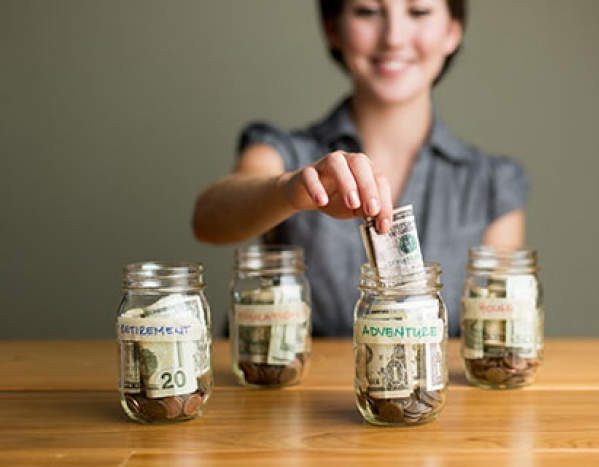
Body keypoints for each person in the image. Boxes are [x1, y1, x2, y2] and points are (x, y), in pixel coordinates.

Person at [192, 0, 528, 337]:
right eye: (367, 11)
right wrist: (290, 190)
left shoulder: (492, 183)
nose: (393, 38)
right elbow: (208, 218)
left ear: (452, 32)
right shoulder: (285, 151)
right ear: (333, 29)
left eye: (419, 12)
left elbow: (495, 337)